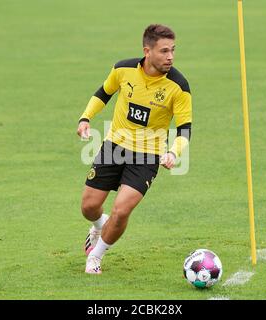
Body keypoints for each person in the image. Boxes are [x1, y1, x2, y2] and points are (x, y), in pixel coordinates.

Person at [76, 24, 192, 274]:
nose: (170, 56)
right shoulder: (123, 69)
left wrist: (174, 153)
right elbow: (103, 93)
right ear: (147, 51)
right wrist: (85, 118)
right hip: (114, 146)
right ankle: (98, 225)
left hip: (147, 156)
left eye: (172, 50)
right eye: (164, 51)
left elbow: (185, 129)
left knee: (121, 210)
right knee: (88, 207)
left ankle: (95, 257)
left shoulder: (179, 86)